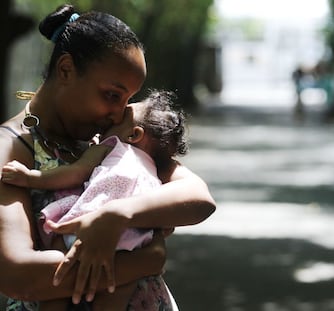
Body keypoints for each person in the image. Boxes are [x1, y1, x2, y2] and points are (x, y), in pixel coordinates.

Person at [0, 4, 215, 311]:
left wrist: (117, 215)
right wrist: (145, 260)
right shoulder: (11, 147)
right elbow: (18, 274)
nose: (120, 112)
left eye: (128, 100)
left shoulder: (112, 138)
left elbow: (198, 197)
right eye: (112, 95)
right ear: (65, 70)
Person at [2, 90, 189, 310]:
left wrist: (30, 178)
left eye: (124, 114)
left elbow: (75, 172)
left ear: (134, 134)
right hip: (134, 240)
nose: (116, 114)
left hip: (89, 229)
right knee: (115, 295)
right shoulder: (157, 171)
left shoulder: (110, 147)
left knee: (58, 274)